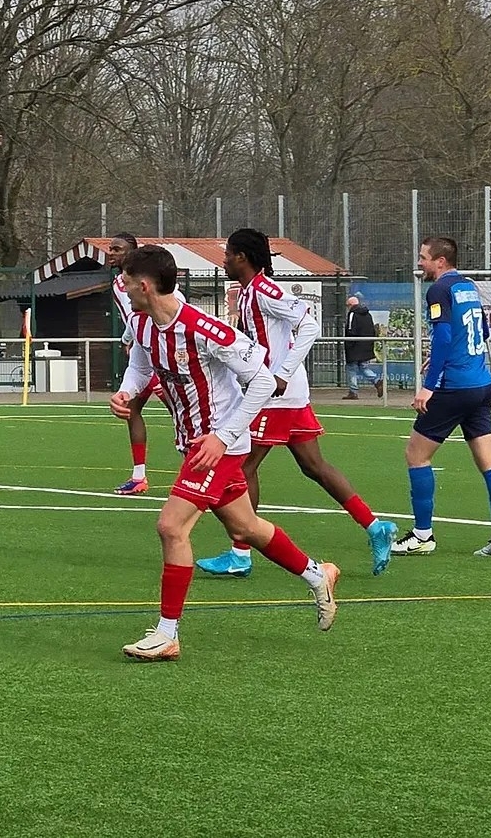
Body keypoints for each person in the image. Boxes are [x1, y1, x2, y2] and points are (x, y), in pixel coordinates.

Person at [109, 244, 339, 660]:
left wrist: (223, 436)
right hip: (195, 444)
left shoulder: (206, 329)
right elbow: (140, 366)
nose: (121, 287)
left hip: (220, 446)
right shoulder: (142, 324)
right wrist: (127, 392)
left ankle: (167, 634)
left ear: (144, 286)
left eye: (125, 281)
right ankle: (316, 573)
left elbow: (263, 382)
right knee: (246, 528)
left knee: (171, 527)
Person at [196, 229, 397, 578]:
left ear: (242, 257)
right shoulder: (249, 291)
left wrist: (282, 373)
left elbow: (309, 325)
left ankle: (240, 553)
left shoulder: (264, 290)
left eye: (228, 254)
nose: (224, 261)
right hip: (283, 392)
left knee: (243, 467)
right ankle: (375, 526)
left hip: (276, 395)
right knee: (313, 466)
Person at [392, 236, 491, 558]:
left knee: (416, 455)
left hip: (454, 387)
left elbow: (444, 338)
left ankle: (422, 535)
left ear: (440, 261)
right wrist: (446, 357)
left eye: (423, 257)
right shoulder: (468, 287)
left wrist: (429, 385)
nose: (420, 263)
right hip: (481, 384)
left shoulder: (439, 290)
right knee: (490, 462)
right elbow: (482, 332)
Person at [107, 232, 171, 495]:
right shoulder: (118, 283)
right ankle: (139, 476)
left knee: (183, 411)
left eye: (117, 249)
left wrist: (130, 339)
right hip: (143, 351)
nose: (111, 253)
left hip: (161, 354)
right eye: (111, 248)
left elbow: (154, 310)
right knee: (132, 410)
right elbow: (133, 318)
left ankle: (208, 466)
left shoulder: (145, 281)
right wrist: (129, 339)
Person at [342, 294, 383, 400]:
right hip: (366, 345)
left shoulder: (352, 314)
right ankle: (376, 381)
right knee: (363, 367)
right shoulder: (368, 314)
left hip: (354, 346)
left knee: (351, 368)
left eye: (347, 305)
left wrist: (348, 344)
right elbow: (372, 330)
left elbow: (350, 330)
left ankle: (353, 391)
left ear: (350, 305)